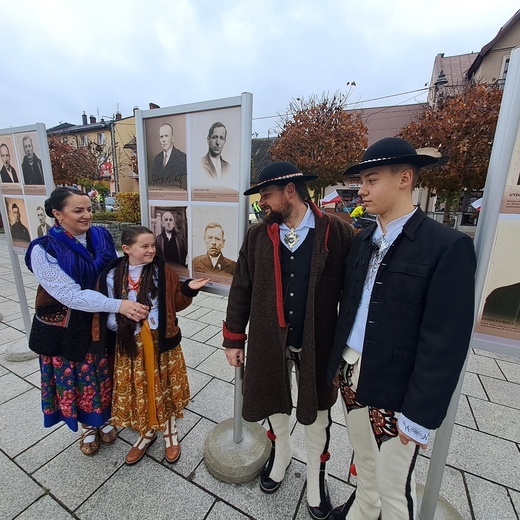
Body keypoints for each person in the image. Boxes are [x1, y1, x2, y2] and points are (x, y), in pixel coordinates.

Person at [326, 137, 476, 520]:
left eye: (371, 179)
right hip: (351, 370)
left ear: (405, 178)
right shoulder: (363, 240)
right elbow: (351, 310)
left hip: (397, 387)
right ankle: (363, 508)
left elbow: (445, 340)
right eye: (362, 180)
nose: (362, 189)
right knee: (363, 460)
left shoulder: (446, 246)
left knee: (396, 489)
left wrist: (420, 414)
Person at [223, 161, 353, 520]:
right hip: (269, 340)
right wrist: (234, 339)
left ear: (290, 191)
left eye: (266, 194)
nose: (263, 202)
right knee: (273, 402)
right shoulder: (257, 235)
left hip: (318, 342)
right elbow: (241, 289)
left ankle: (316, 476)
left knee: (318, 414)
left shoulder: (338, 232)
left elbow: (356, 292)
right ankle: (281, 454)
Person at [24, 187, 150, 456]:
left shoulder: (101, 235)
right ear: (57, 214)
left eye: (89, 209)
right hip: (67, 325)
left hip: (102, 322)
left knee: (104, 373)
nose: (87, 215)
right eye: (78, 210)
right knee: (79, 378)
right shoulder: (43, 249)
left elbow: (118, 268)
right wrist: (120, 305)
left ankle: (104, 421)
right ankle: (88, 428)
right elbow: (70, 295)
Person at [93, 226, 209, 465]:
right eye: (144, 246)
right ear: (127, 249)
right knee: (141, 387)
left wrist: (188, 289)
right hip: (129, 342)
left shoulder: (161, 270)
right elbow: (107, 308)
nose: (151, 250)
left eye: (153, 245)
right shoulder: (113, 273)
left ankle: (170, 433)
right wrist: (125, 322)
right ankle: (146, 431)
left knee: (163, 385)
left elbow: (174, 301)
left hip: (160, 340)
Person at [151, 123, 187, 189]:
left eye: (166, 136)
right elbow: (154, 183)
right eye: (161, 136)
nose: (163, 140)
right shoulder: (157, 159)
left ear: (172, 138)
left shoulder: (182, 158)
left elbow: (183, 185)